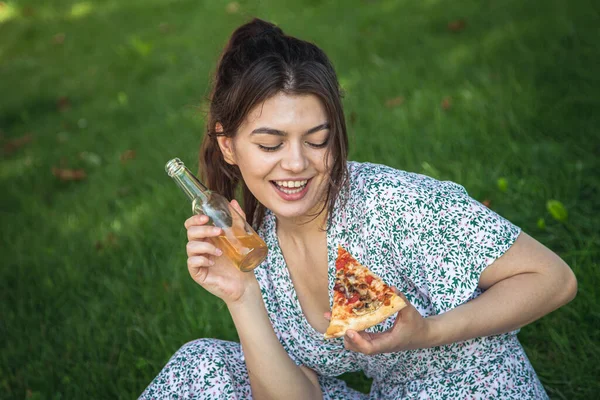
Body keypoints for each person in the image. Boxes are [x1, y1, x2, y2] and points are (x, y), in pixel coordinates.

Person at [140, 18, 577, 399]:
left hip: (473, 387)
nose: (296, 163)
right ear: (228, 146)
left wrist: (428, 332)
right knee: (201, 366)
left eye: (317, 140)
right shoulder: (255, 243)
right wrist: (242, 295)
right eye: (270, 144)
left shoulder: (391, 205)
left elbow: (553, 278)